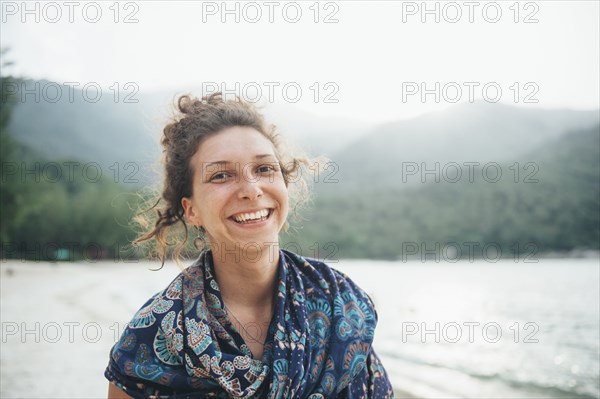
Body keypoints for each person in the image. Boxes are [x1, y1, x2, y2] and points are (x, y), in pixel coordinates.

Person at [105, 93, 394, 398]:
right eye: (221, 175)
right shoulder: (153, 334)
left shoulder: (340, 306)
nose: (251, 190)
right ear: (191, 210)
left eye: (264, 169)